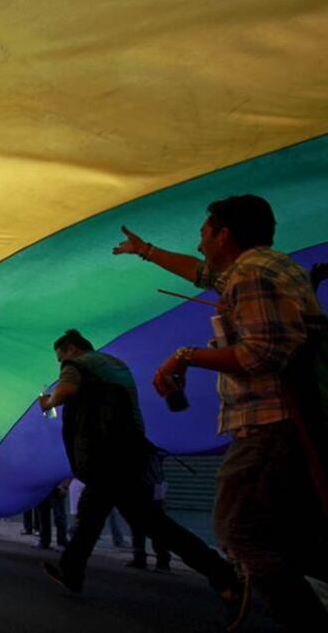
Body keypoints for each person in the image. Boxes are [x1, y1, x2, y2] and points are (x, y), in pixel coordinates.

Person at [116, 195, 328, 628]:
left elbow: (262, 354)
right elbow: (200, 273)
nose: (199, 245)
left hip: (269, 423)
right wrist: (146, 251)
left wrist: (185, 356)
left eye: (203, 234)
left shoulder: (251, 274)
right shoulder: (269, 266)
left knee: (238, 531)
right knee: (289, 535)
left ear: (223, 234)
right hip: (289, 422)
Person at [38, 330, 243, 618]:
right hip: (131, 450)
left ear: (71, 348)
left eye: (61, 357)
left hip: (107, 456)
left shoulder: (78, 364)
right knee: (103, 518)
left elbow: (67, 391)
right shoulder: (114, 364)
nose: (61, 363)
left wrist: (47, 403)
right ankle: (71, 572)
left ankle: (224, 575)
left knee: (136, 521)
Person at [127, 451, 171, 573]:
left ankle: (159, 559)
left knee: (152, 524)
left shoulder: (152, 450)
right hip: (147, 486)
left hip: (148, 487)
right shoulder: (154, 450)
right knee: (140, 523)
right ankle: (143, 557)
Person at [34, 483, 68, 550]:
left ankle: (62, 543)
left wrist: (65, 486)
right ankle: (44, 541)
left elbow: (69, 476)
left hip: (57, 487)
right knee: (43, 516)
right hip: (44, 488)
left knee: (59, 517)